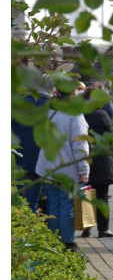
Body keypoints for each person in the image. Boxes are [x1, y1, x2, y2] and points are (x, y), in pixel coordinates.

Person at [35, 86, 90, 253]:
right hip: (67, 167)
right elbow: (80, 144)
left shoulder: (49, 110)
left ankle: (55, 242)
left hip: (48, 165)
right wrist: (84, 169)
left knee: (53, 205)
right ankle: (68, 244)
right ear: (74, 92)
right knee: (67, 206)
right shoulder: (75, 113)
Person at [12, 74, 54, 213]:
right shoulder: (53, 106)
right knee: (52, 204)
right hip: (48, 161)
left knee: (26, 205)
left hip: (23, 160)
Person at [81, 87, 113, 238]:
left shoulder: (82, 114)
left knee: (88, 193)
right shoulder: (102, 115)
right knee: (102, 196)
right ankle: (103, 229)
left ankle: (86, 227)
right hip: (101, 159)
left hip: (86, 158)